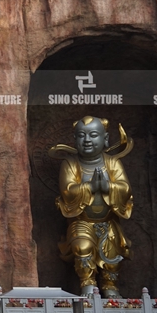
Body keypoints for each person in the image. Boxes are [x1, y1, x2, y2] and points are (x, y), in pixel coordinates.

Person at [53, 116, 134, 298]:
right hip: (82, 221)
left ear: (105, 139)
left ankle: (110, 286)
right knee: (82, 248)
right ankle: (87, 284)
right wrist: (89, 187)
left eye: (93, 135)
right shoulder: (70, 163)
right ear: (74, 140)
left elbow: (125, 188)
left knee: (113, 256)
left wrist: (107, 187)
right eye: (81, 135)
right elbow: (67, 190)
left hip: (108, 222)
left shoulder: (112, 163)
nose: (87, 140)